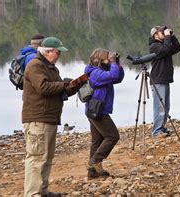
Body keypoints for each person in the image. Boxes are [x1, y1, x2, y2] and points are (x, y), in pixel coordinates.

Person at [22, 37, 81, 197]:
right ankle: (32, 193)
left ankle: (43, 190)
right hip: (37, 118)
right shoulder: (35, 65)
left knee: (46, 157)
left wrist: (74, 85)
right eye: (58, 52)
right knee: (36, 157)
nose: (59, 55)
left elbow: (59, 90)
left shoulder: (51, 67)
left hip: (49, 118)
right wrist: (63, 84)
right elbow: (43, 88)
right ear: (47, 52)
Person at [84, 48, 124, 179]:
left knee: (97, 140)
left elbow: (117, 78)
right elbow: (112, 75)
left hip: (95, 110)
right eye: (107, 57)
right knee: (112, 136)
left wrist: (117, 64)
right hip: (97, 111)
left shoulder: (101, 71)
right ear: (99, 59)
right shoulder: (95, 73)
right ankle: (94, 162)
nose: (109, 59)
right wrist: (113, 64)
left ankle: (92, 173)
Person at [149, 25, 180, 137]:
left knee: (166, 106)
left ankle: (161, 128)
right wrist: (167, 37)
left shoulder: (164, 45)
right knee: (160, 106)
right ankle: (156, 131)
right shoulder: (154, 46)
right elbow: (165, 50)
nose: (164, 33)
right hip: (157, 79)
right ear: (155, 35)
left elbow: (177, 48)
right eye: (161, 32)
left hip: (164, 79)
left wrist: (172, 36)